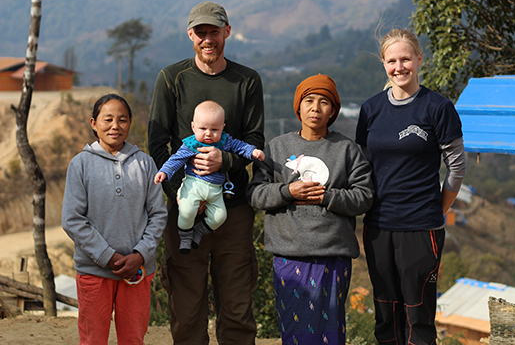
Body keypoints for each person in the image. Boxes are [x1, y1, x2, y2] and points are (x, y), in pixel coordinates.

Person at [148, 1, 264, 344]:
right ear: (190, 35)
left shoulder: (247, 80)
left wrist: (224, 162)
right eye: (201, 33)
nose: (207, 39)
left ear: (227, 31)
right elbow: (157, 146)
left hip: (235, 208)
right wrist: (183, 193)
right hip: (184, 209)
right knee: (186, 310)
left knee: (238, 308)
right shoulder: (172, 78)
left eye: (214, 31)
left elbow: (255, 138)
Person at [355, 28, 467, 345]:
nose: (399, 67)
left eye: (406, 58)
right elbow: (361, 166)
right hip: (377, 226)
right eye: (392, 61)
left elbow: (457, 168)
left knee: (418, 314)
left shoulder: (438, 107)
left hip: (422, 226)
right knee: (385, 311)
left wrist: (439, 210)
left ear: (419, 59)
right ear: (383, 64)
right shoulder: (371, 109)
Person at [247, 74, 374, 345]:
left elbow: (364, 197)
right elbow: (255, 194)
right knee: (295, 331)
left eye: (324, 102)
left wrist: (327, 197)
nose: (316, 108)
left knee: (330, 332)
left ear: (333, 111)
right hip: (288, 255)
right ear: (298, 106)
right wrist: (287, 191)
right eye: (309, 100)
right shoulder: (277, 148)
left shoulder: (347, 150)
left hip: (332, 256)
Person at [62, 93, 168, 345]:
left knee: (133, 338)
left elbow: (158, 215)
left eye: (122, 120)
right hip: (94, 270)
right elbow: (73, 220)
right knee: (92, 339)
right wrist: (108, 256)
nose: (115, 126)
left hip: (137, 270)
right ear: (93, 123)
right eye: (107, 119)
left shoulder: (145, 163)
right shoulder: (80, 165)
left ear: (130, 123)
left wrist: (140, 254)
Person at [154, 100, 265, 254]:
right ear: (193, 127)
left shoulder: (225, 141)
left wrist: (253, 152)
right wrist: (164, 172)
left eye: (214, 129)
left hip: (215, 190)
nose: (208, 133)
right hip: (193, 185)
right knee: (186, 211)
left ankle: (199, 231)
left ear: (223, 128)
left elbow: (241, 147)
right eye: (203, 128)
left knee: (220, 217)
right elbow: (176, 160)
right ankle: (185, 237)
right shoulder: (191, 144)